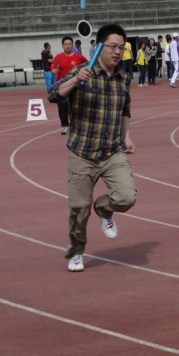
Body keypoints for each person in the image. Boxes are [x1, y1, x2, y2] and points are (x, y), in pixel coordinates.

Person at [48, 23, 138, 273]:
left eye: (121, 48)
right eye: (112, 46)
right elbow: (53, 95)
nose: (117, 52)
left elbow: (125, 109)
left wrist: (127, 137)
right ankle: (77, 252)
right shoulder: (82, 72)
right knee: (79, 210)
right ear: (100, 46)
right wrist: (75, 80)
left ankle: (104, 208)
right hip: (83, 153)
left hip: (112, 152)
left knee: (127, 197)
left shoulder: (123, 78)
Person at [50, 36, 87, 135]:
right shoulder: (58, 57)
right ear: (63, 46)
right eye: (66, 44)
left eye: (69, 44)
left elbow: (88, 65)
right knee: (62, 104)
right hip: (62, 86)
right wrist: (54, 71)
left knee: (77, 104)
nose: (67, 46)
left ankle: (77, 125)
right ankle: (65, 125)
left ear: (72, 45)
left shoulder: (79, 57)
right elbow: (53, 69)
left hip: (76, 85)